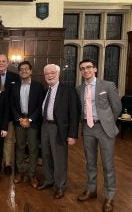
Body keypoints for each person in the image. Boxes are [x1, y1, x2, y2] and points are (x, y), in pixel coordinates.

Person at [76, 59, 121, 212]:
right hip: (88, 129)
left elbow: (116, 107)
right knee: (90, 162)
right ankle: (91, 190)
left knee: (108, 164)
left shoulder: (107, 85)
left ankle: (109, 197)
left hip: (104, 129)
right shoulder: (79, 89)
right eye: (82, 68)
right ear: (80, 72)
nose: (86, 70)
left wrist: (107, 122)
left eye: (88, 67)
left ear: (95, 69)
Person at [37, 64, 80, 199]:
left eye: (52, 73)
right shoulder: (45, 90)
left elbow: (74, 114)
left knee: (59, 158)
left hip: (59, 129)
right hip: (45, 127)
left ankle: (60, 186)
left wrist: (72, 135)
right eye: (47, 74)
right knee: (46, 155)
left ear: (58, 74)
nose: (49, 75)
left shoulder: (68, 91)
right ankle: (49, 180)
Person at [11, 61, 45, 188]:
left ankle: (32, 174)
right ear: (19, 72)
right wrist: (20, 119)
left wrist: (29, 120)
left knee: (33, 148)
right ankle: (20, 172)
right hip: (19, 121)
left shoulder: (38, 86)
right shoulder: (14, 86)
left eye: (26, 69)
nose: (24, 71)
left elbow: (40, 106)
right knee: (19, 147)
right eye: (21, 69)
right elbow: (12, 105)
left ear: (30, 71)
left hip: (33, 122)